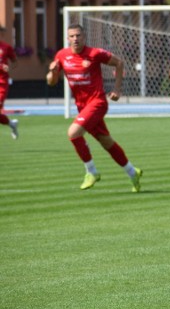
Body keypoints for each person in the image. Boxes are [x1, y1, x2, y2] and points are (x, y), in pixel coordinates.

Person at [46, 24, 143, 191]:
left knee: (73, 133)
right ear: (68, 38)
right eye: (72, 36)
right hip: (82, 107)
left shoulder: (94, 53)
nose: (75, 39)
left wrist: (117, 89)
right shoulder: (62, 55)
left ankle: (91, 171)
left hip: (97, 103)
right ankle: (132, 172)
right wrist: (53, 72)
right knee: (106, 142)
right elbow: (51, 82)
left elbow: (119, 63)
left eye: (78, 35)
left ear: (84, 37)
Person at [0, 38, 19, 139]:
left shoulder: (6, 47)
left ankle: (11, 123)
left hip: (1, 84)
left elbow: (15, 62)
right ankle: (12, 123)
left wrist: (9, 68)